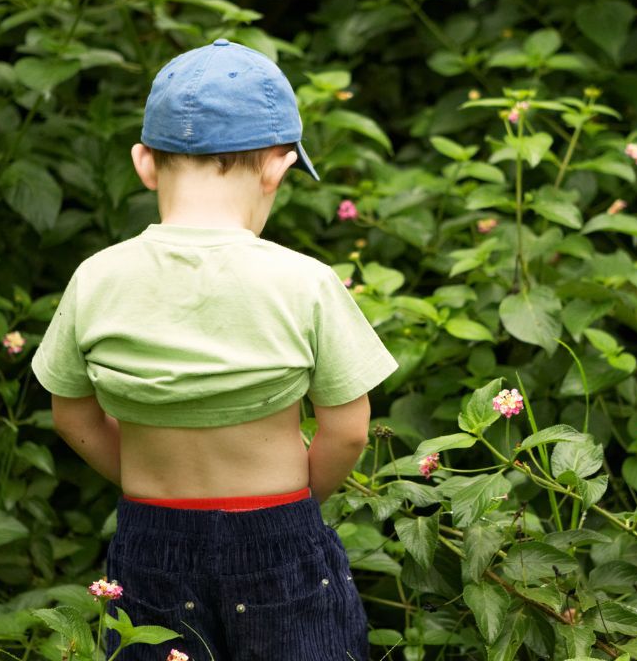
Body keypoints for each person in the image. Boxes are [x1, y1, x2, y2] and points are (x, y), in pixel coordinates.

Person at [30, 38, 398, 661]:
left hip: (151, 542)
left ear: (145, 164)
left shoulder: (96, 277)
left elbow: (72, 415)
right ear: (277, 169)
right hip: (278, 532)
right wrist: (298, 509)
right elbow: (349, 430)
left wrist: (144, 483)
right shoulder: (303, 281)